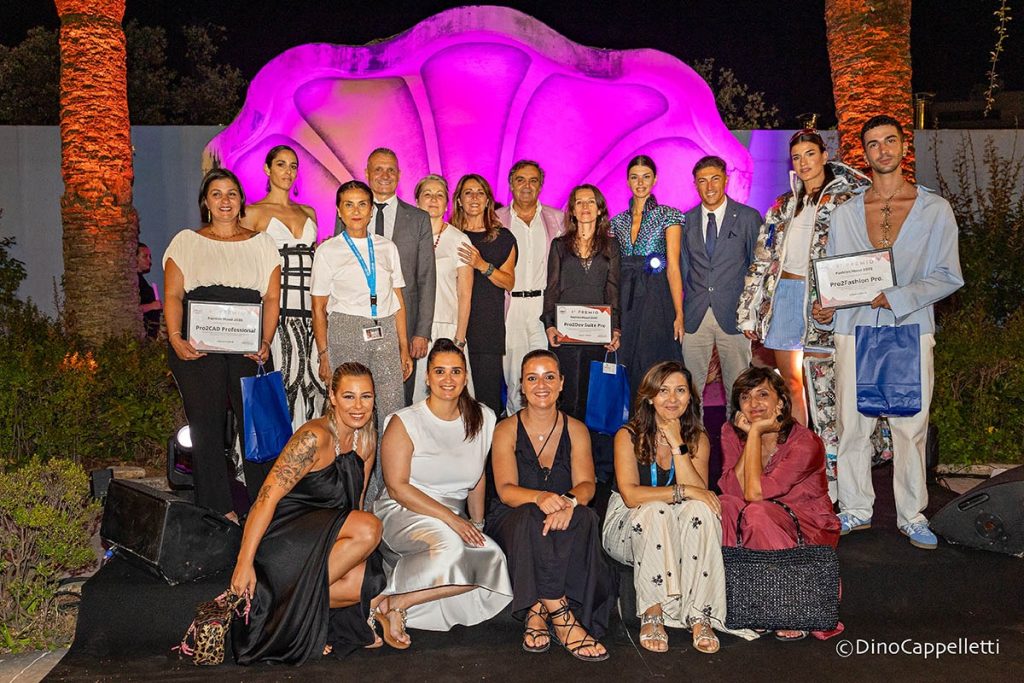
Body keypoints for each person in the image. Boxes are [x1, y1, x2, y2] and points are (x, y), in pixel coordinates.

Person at [813, 115, 963, 550]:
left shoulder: (934, 209)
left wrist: (896, 297)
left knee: (910, 426)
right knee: (852, 425)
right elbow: (836, 277)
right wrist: (826, 309)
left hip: (910, 329)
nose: (883, 149)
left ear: (903, 146)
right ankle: (855, 508)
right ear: (865, 152)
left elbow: (949, 275)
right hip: (853, 329)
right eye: (874, 143)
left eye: (890, 140)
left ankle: (912, 515)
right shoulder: (845, 213)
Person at [230, 363, 395, 664]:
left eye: (366, 397)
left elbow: (353, 505)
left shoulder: (367, 439)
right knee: (370, 528)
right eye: (348, 396)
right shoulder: (313, 438)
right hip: (287, 538)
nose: (358, 406)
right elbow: (265, 500)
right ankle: (285, 604)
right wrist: (244, 562)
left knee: (366, 582)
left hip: (327, 537)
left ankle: (286, 613)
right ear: (332, 397)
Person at [736, 129, 869, 496]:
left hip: (822, 302)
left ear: (824, 156)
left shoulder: (846, 199)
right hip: (784, 296)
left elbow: (859, 254)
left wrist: (837, 299)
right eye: (797, 157)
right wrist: (750, 311)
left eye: (810, 154)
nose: (804, 162)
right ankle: (797, 462)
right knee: (792, 384)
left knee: (826, 388)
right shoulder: (782, 205)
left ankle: (834, 474)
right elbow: (762, 258)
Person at [602, 361, 755, 654]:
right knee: (655, 510)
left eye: (680, 391)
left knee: (702, 511)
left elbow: (700, 496)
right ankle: (653, 611)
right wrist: (680, 491)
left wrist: (676, 443)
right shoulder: (628, 435)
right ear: (650, 397)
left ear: (690, 397)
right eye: (664, 391)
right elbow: (632, 496)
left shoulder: (697, 438)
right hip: (629, 523)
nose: (672, 399)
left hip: (678, 521)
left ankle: (700, 614)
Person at [373, 339, 513, 646]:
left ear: (465, 376)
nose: (448, 379)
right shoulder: (404, 421)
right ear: (427, 376)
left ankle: (397, 602)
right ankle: (384, 601)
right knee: (450, 547)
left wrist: (477, 523)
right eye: (439, 371)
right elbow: (397, 487)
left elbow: (477, 478)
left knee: (491, 559)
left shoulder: (484, 417)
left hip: (453, 517)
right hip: (404, 510)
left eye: (455, 371)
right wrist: (453, 520)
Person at [163, 168, 280, 518]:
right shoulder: (186, 242)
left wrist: (265, 340)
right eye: (216, 194)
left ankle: (264, 509)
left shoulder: (263, 244)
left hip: (250, 344)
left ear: (242, 200)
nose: (225, 200)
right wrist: (175, 337)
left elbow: (272, 298)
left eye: (231, 193)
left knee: (259, 425)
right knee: (206, 427)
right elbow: (173, 295)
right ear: (205, 202)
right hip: (197, 346)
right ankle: (218, 512)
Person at [486, 349, 615, 662]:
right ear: (521, 385)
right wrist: (540, 498)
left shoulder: (577, 429)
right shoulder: (505, 429)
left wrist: (568, 502)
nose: (541, 385)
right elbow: (506, 490)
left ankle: (536, 611)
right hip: (515, 515)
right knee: (531, 517)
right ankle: (561, 614)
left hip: (563, 512)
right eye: (532, 378)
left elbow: (587, 485)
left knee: (585, 517)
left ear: (561, 383)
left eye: (549, 377)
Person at [718, 366, 841, 641]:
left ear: (781, 402)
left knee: (757, 512)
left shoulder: (805, 443)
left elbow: (756, 494)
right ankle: (752, 602)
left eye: (763, 395)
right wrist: (752, 436)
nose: (753, 403)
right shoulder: (731, 431)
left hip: (807, 526)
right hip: (760, 516)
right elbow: (730, 489)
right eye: (745, 397)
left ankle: (793, 606)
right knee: (725, 505)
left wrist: (754, 433)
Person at [312, 180, 414, 506]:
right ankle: (348, 493)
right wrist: (324, 353)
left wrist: (403, 346)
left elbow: (398, 300)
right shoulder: (327, 251)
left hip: (384, 330)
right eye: (349, 204)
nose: (356, 211)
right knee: (351, 412)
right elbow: (318, 307)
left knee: (391, 412)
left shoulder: (387, 247)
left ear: (371, 210)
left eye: (362, 204)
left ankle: (386, 492)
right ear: (339, 211)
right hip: (345, 330)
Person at [241, 145, 326, 429]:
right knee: (278, 388)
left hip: (311, 314)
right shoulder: (252, 213)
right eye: (281, 164)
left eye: (293, 166)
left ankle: (311, 453)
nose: (288, 171)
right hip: (276, 315)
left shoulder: (309, 212)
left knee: (314, 388)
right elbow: (247, 268)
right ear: (267, 169)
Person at [351, 148, 436, 404]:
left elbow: (426, 277)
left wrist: (421, 332)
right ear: (367, 173)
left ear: (399, 175)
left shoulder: (418, 219)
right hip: (357, 318)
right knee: (358, 392)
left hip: (403, 323)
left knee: (399, 397)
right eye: (378, 169)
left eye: (390, 170)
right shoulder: (350, 213)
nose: (384, 175)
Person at [679, 156, 762, 400]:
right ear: (695, 184)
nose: (710, 186)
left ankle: (736, 427)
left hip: (734, 315)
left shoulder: (748, 217)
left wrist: (753, 314)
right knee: (690, 392)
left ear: (726, 180)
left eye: (715, 179)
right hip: (695, 314)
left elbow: (758, 267)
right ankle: (694, 428)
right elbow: (683, 269)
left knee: (739, 391)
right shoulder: (685, 221)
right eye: (702, 180)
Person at [543, 184, 621, 421]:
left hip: (597, 333)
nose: (585, 206)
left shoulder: (611, 245)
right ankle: (564, 439)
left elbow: (613, 289)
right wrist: (549, 325)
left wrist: (615, 329)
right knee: (565, 393)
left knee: (591, 394)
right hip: (565, 333)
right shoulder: (559, 245)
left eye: (590, 201)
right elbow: (552, 287)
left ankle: (589, 442)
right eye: (579, 202)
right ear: (573, 210)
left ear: (600, 209)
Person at [610, 155, 684, 395]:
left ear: (655, 179)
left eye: (646, 177)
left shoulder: (669, 215)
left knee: (655, 359)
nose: (640, 183)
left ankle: (658, 414)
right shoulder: (617, 222)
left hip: (656, 296)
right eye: (634, 177)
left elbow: (673, 266)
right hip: (626, 299)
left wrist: (679, 313)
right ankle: (630, 415)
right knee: (625, 359)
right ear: (627, 181)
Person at [496, 160, 563, 415]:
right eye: (520, 180)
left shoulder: (557, 220)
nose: (527, 186)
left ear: (541, 186)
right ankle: (515, 427)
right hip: (509, 305)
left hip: (542, 308)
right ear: (511, 184)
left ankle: (543, 425)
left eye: (533, 180)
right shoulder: (496, 219)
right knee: (513, 376)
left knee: (543, 372)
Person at [451, 174, 518, 415]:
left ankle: (489, 440)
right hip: (452, 325)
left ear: (488, 200)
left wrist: (482, 265)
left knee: (486, 400)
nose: (474, 198)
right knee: (453, 398)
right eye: (468, 192)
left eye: (480, 192)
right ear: (459, 200)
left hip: (487, 328)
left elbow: (509, 282)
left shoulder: (503, 238)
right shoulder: (447, 236)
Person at [411, 174, 474, 401]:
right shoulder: (406, 238)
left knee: (450, 396)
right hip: (413, 329)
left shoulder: (460, 240)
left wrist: (459, 339)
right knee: (417, 397)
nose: (433, 199)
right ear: (417, 201)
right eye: (427, 194)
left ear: (447, 204)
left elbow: (465, 294)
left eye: (439, 195)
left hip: (446, 329)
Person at [137, 242, 162, 338]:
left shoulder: (140, 280)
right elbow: (131, 309)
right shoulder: (133, 282)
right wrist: (152, 306)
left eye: (150, 257)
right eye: (145, 257)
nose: (149, 260)